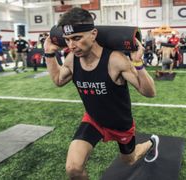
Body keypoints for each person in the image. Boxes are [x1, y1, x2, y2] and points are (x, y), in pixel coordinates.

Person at [44, 7, 159, 179]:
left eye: (77, 38)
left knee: (129, 159)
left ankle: (151, 142)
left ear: (93, 34)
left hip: (120, 124)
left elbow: (149, 93)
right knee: (73, 169)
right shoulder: (72, 60)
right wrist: (49, 53)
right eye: (67, 40)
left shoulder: (116, 60)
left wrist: (138, 64)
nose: (71, 46)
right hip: (93, 120)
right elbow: (58, 80)